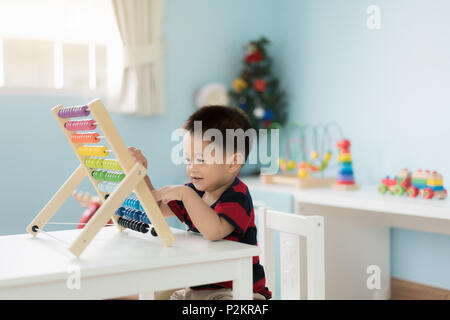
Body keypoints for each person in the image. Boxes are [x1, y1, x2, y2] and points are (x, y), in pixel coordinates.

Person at [129, 105, 271, 300]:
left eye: (200, 160)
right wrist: (140, 174)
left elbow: (214, 231)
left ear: (232, 163)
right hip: (197, 287)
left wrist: (185, 194)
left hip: (239, 290)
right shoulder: (195, 191)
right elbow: (155, 209)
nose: (191, 168)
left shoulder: (237, 195)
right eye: (188, 160)